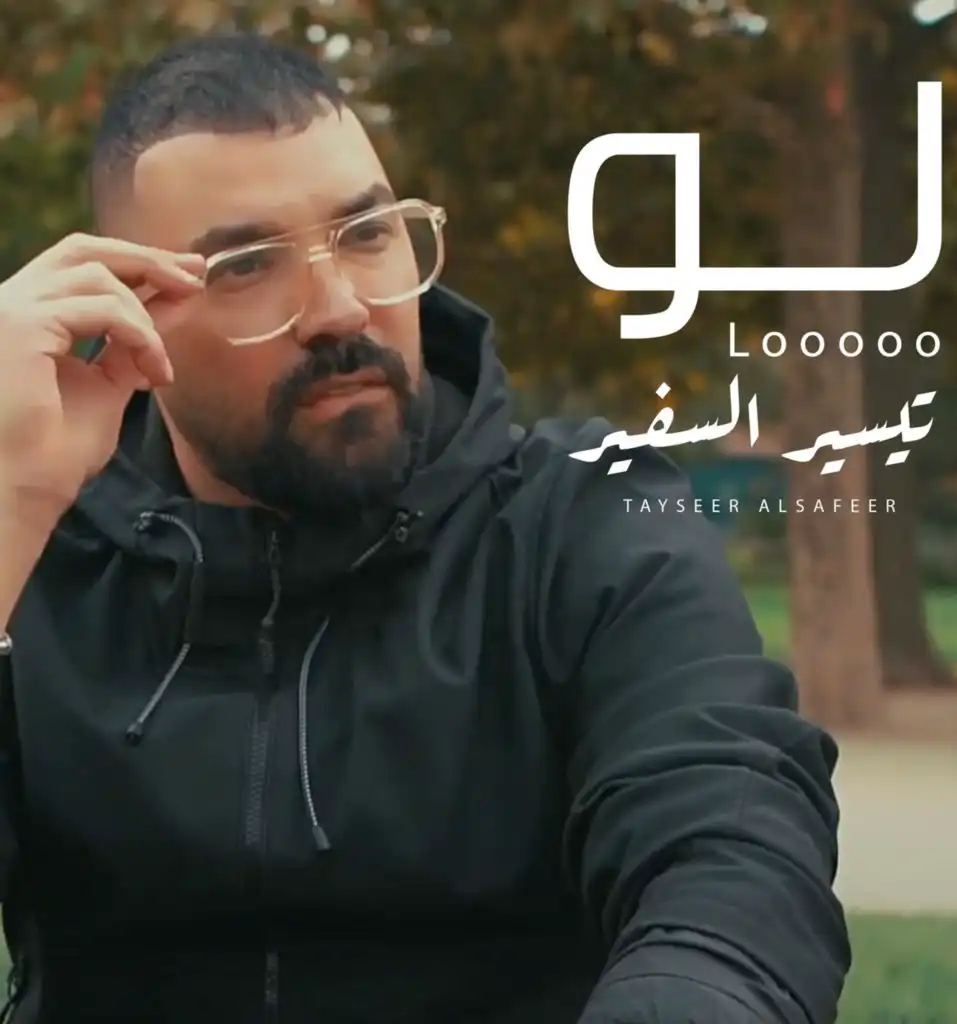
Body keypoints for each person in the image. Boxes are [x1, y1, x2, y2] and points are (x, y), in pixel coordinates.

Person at [0, 31, 850, 1024]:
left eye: (367, 233)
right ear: (129, 314)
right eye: (247, 264)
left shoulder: (584, 524)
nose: (339, 310)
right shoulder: (44, 547)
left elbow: (734, 860)